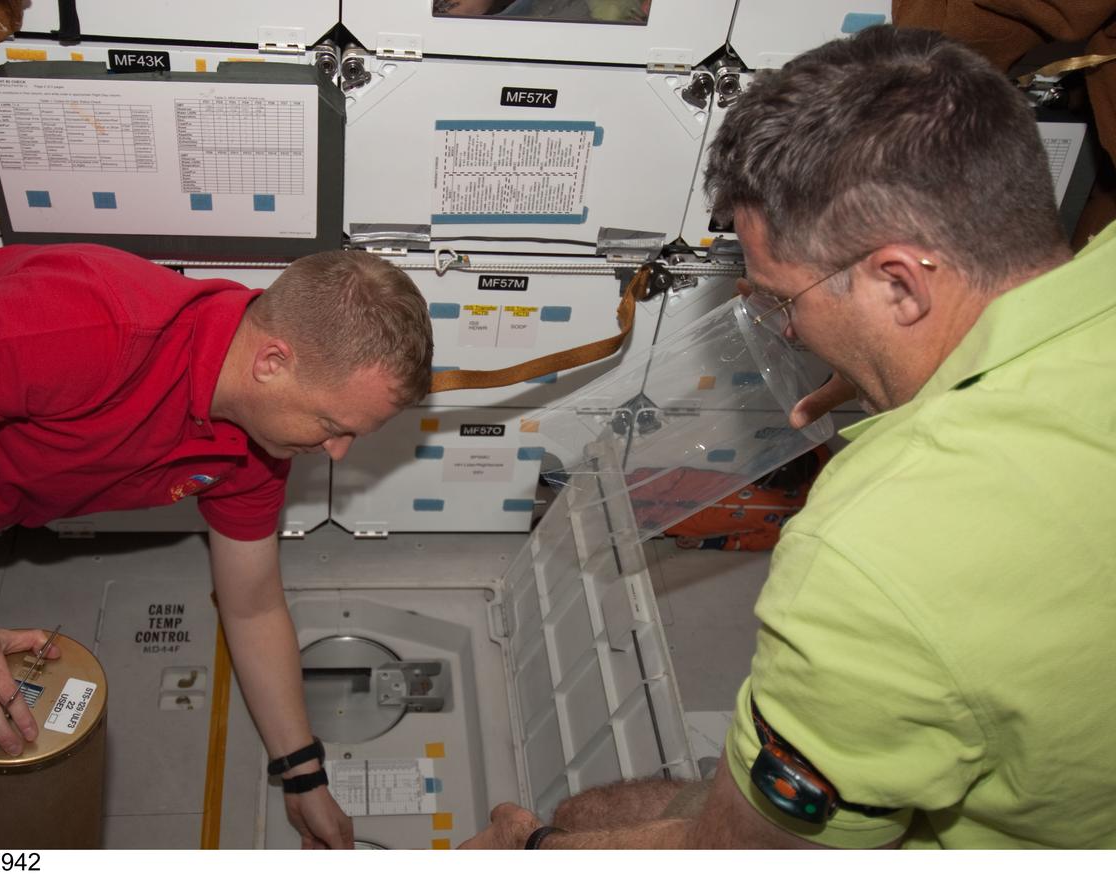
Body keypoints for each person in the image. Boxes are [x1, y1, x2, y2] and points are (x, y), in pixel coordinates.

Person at [459, 24, 1116, 849]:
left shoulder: (872, 555)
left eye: (782, 301)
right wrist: (898, 366)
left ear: (899, 284)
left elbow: (734, 854)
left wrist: (526, 850)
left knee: (582, 820)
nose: (788, 332)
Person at [0, 243, 434, 849]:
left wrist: (303, 774)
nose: (338, 453)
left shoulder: (257, 443)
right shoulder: (91, 324)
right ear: (273, 362)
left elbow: (252, 604)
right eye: (334, 426)